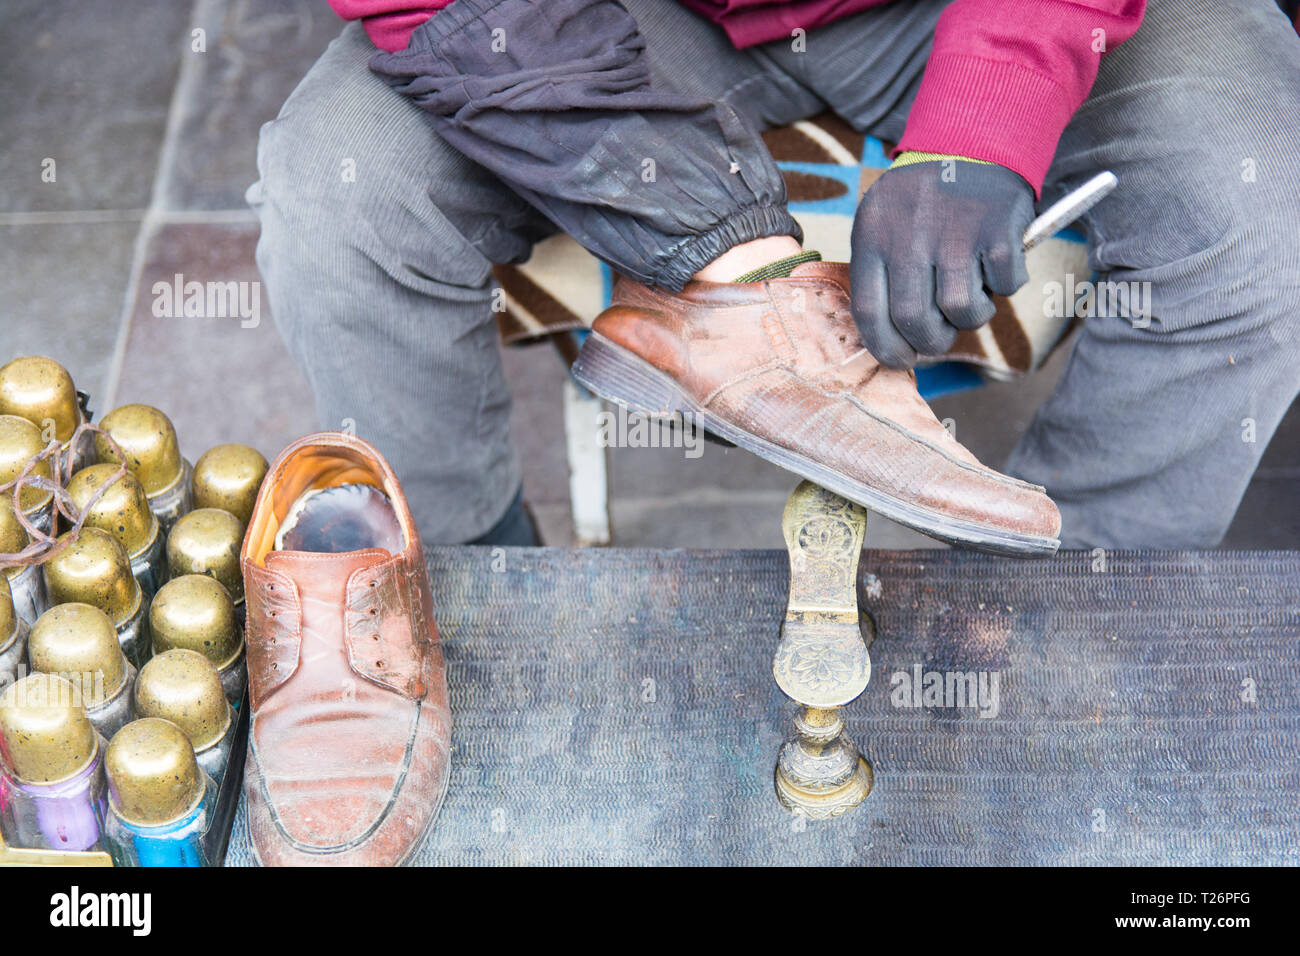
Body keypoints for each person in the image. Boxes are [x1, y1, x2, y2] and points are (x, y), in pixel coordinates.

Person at [247, 0, 1300, 551]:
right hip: (598, 17)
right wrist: (727, 246)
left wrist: (989, 105)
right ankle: (471, 593)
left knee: (1264, 202)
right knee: (343, 196)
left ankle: (1070, 606)